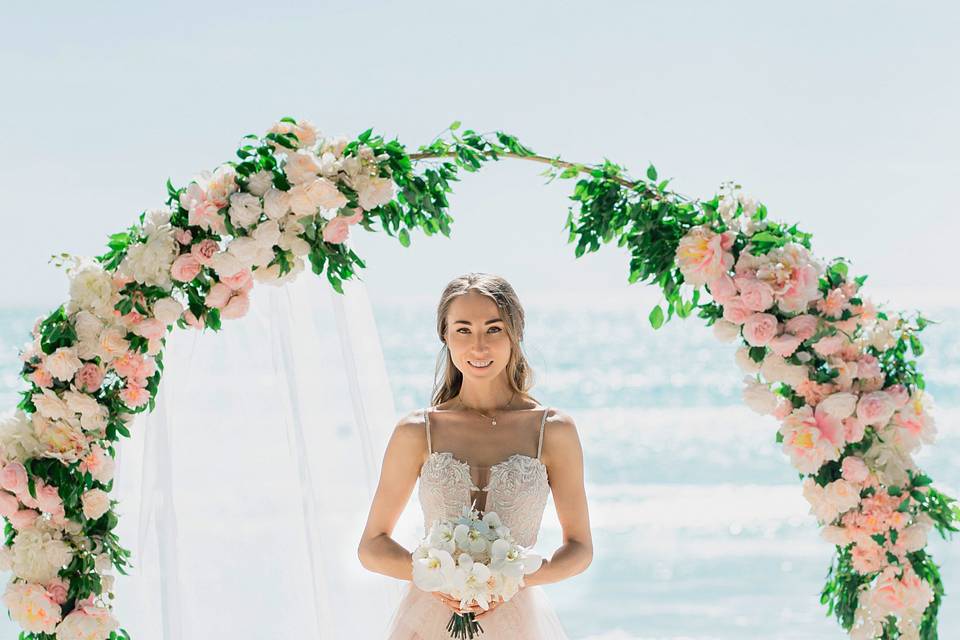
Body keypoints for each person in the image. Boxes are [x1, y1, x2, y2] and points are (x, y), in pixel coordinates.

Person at [358, 273, 593, 639]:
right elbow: (371, 545)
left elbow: (579, 548)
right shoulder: (417, 431)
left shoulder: (554, 430)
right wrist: (439, 578)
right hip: (426, 621)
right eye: (463, 330)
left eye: (494, 329)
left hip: (517, 621)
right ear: (446, 336)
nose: (478, 346)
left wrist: (511, 579)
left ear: (515, 334)